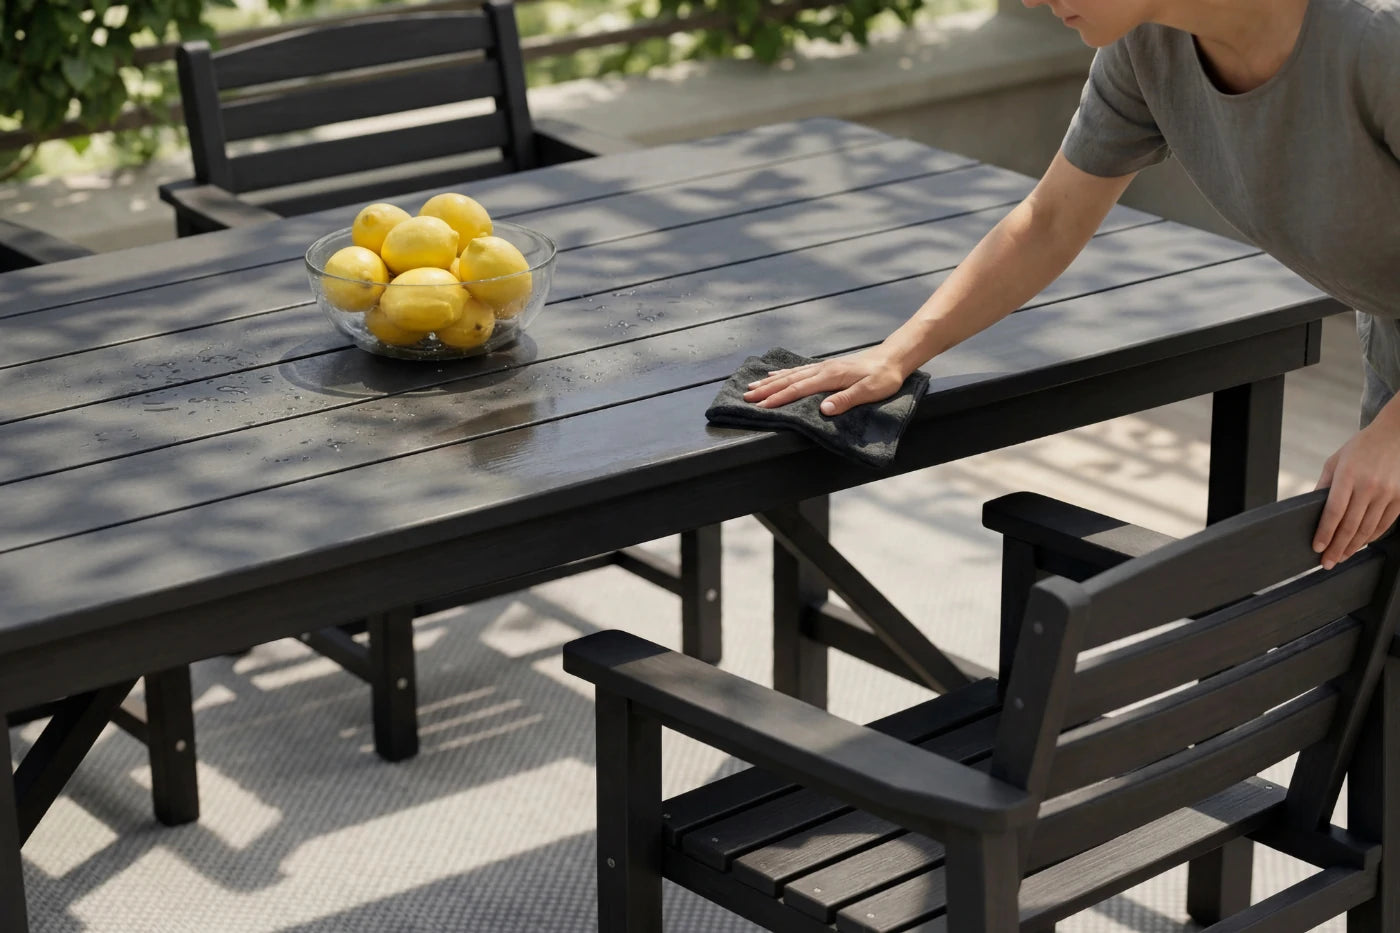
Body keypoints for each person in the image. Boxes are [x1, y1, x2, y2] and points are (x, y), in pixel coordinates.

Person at [744, 0, 1400, 571]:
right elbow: (1048, 222)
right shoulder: (1148, 48)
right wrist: (898, 352)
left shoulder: (1377, 37)